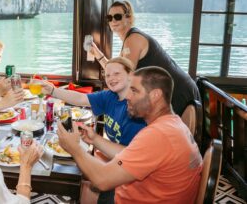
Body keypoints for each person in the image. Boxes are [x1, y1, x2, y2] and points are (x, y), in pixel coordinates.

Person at [57, 66, 203, 204]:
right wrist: (94, 139)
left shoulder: (157, 135)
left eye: (134, 90)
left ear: (155, 95)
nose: (127, 96)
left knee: (76, 187)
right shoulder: (172, 123)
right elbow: (129, 154)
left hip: (132, 199)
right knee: (82, 184)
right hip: (144, 193)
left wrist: (74, 148)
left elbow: (102, 180)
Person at [89, 1, 200, 116]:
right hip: (168, 90)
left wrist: (102, 98)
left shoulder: (133, 39)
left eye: (117, 16)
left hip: (178, 90)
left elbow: (125, 77)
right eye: (110, 17)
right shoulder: (129, 40)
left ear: (129, 18)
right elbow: (118, 71)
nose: (113, 21)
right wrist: (97, 53)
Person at [41, 57, 146, 146]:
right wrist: (52, 90)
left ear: (130, 75)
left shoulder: (135, 109)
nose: (111, 78)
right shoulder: (110, 96)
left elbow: (127, 154)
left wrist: (94, 140)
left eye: (116, 73)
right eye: (108, 75)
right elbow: (81, 98)